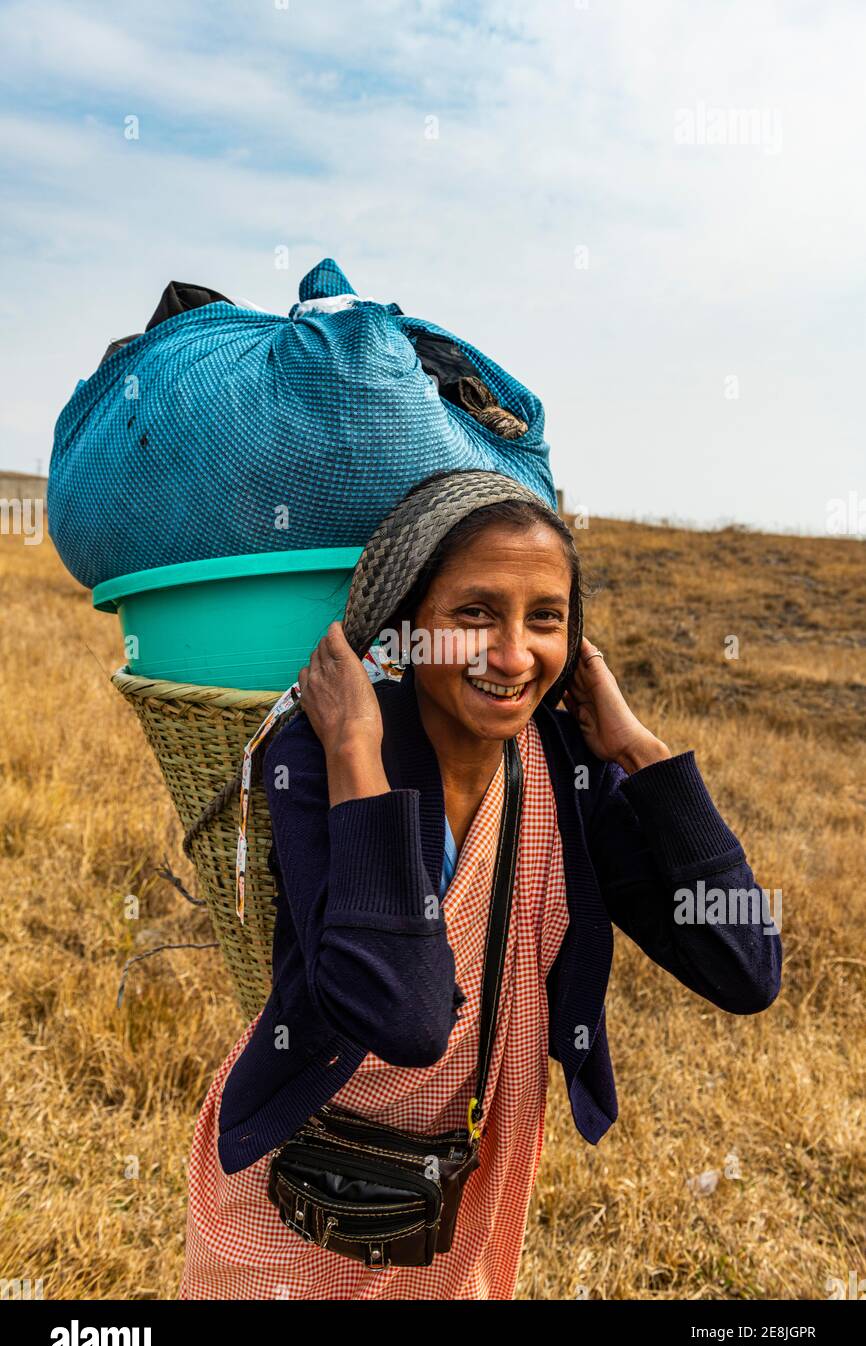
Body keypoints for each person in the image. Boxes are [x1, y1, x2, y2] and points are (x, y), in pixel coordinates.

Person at [180, 470, 782, 1300]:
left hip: (453, 1205)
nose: (512, 655)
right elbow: (408, 1017)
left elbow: (745, 967)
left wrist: (639, 752)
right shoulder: (321, 758)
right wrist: (356, 747)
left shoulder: (563, 771)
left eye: (546, 619)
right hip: (296, 1191)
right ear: (408, 623)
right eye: (474, 614)